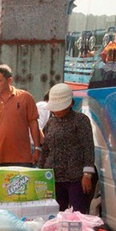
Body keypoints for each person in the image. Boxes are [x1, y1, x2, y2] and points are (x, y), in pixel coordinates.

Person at [37, 83, 95, 213]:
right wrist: (39, 171)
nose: (56, 111)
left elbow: (88, 147)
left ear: (70, 104)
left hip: (75, 177)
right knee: (56, 214)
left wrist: (87, 174)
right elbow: (46, 149)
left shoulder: (81, 120)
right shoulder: (51, 122)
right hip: (53, 177)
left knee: (77, 214)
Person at [0, 64, 41, 167]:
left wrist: (37, 148)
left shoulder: (25, 98)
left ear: (9, 80)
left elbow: (33, 123)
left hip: (22, 159)